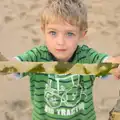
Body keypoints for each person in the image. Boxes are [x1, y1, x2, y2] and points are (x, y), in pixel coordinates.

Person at [0, 0, 120, 120]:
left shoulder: (87, 57)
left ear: (82, 34)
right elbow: (11, 66)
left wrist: (115, 64)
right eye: (53, 33)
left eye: (69, 34)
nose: (60, 42)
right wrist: (4, 65)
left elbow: (108, 62)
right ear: (43, 30)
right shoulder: (36, 55)